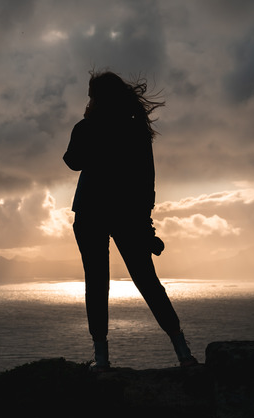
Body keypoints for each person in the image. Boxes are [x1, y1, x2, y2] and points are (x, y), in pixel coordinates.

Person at [63, 70, 198, 370]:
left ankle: (102, 359)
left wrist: (87, 123)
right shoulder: (135, 130)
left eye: (90, 96)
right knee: (147, 281)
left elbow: (73, 161)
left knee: (96, 284)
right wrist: (146, 225)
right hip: (126, 214)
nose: (88, 101)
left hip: (91, 212)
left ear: (98, 98)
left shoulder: (88, 127)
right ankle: (183, 353)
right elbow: (146, 182)